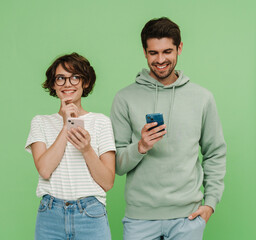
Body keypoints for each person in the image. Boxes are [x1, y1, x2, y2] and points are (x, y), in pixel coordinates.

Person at [110, 17, 226, 240]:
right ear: (144, 52)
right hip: (139, 219)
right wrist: (141, 146)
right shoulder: (125, 98)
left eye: (167, 51)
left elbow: (215, 153)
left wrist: (210, 203)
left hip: (188, 218)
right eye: (153, 53)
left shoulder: (202, 98)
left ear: (179, 48)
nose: (160, 60)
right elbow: (116, 165)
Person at [25, 52, 116, 240]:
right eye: (61, 78)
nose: (68, 84)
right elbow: (44, 170)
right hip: (50, 215)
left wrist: (86, 149)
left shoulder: (101, 122)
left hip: (91, 215)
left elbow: (107, 182)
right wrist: (66, 124)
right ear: (53, 84)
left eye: (75, 77)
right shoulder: (40, 122)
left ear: (86, 82)